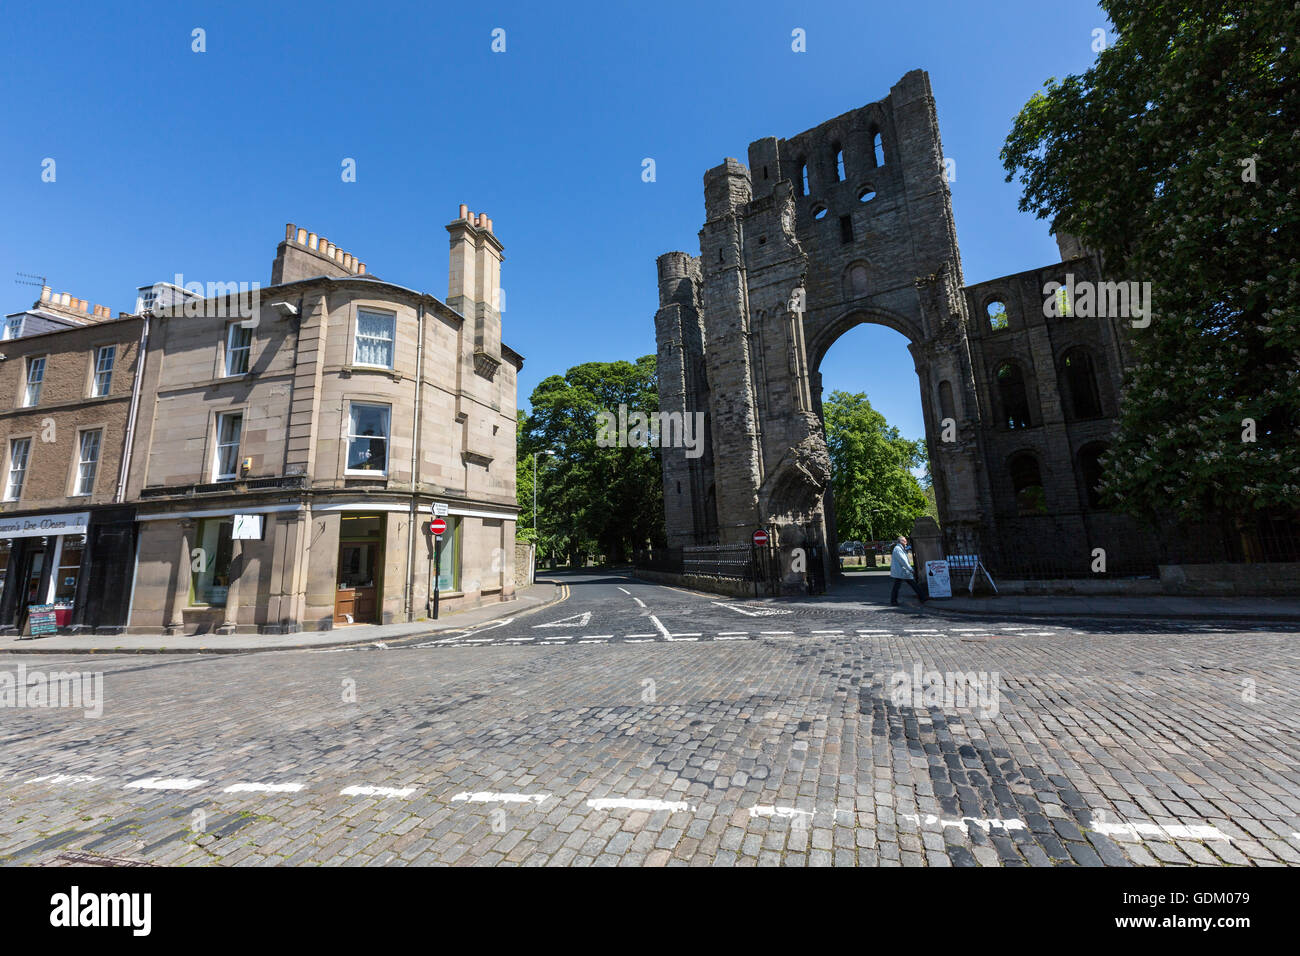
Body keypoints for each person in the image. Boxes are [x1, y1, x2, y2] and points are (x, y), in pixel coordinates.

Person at [889, 535, 927, 605]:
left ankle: (922, 597)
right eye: (904, 540)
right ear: (901, 541)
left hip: (902, 571)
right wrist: (911, 569)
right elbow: (903, 561)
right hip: (902, 571)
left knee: (899, 586)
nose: (906, 542)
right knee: (912, 585)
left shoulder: (900, 548)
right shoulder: (898, 549)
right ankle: (922, 597)